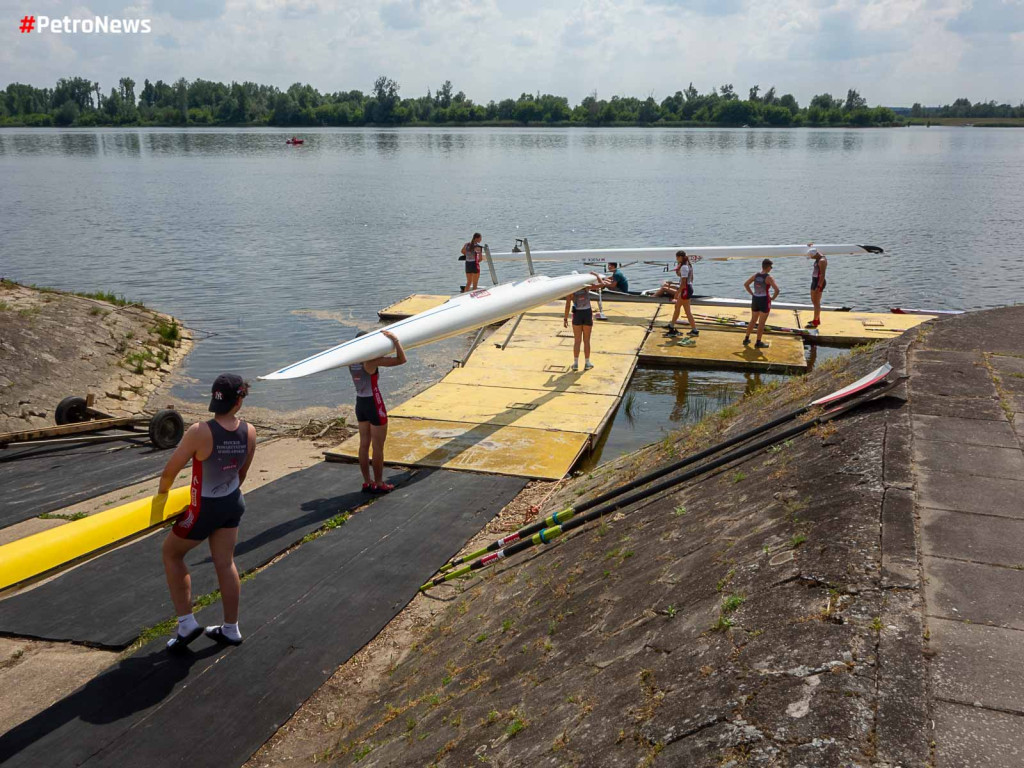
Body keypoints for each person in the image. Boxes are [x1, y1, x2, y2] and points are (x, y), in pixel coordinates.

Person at [159, 374, 256, 652]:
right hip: (232, 503)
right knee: (225, 563)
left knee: (172, 553)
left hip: (204, 508)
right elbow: (242, 473)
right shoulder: (250, 431)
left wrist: (161, 499)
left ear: (214, 398)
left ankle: (187, 623)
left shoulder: (200, 431)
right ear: (239, 401)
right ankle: (231, 628)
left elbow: (169, 472)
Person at [350, 329, 406, 493]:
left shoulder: (351, 361)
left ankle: (367, 481)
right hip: (374, 404)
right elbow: (402, 359)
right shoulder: (371, 362)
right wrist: (395, 341)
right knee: (378, 447)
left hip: (360, 404)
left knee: (363, 445)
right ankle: (380, 483)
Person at [564, 273, 611, 371]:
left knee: (577, 341)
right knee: (586, 340)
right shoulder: (586, 287)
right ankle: (587, 363)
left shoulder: (570, 291)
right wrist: (596, 274)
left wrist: (565, 319)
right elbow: (602, 284)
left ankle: (576, 364)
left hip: (577, 315)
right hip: (587, 314)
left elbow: (568, 305)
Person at [743, 259, 780, 349]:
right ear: (767, 267)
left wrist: (752, 293)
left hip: (755, 299)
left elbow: (746, 284)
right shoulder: (769, 277)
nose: (771, 268)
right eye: (771, 267)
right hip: (764, 299)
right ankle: (758, 342)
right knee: (761, 323)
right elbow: (777, 290)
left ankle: (746, 339)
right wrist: (773, 298)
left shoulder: (756, 275)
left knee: (753, 320)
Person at [664, 250, 700, 338]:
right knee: (678, 307)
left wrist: (677, 293)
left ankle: (673, 327)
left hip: (685, 290)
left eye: (677, 257)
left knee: (686, 311)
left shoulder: (684, 267)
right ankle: (673, 326)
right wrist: (678, 273)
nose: (676, 259)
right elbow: (688, 278)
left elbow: (684, 283)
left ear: (680, 257)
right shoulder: (688, 265)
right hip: (688, 288)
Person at [807, 248, 828, 328]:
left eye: (812, 257)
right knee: (813, 300)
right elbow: (815, 250)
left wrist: (819, 286)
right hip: (814, 281)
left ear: (815, 255)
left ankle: (815, 321)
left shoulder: (822, 261)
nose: (811, 258)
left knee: (816, 302)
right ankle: (817, 319)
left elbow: (822, 275)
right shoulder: (818, 256)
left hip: (819, 282)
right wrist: (810, 246)